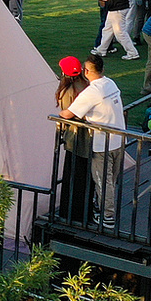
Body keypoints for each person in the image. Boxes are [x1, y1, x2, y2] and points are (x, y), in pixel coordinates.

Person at [62, 54, 127, 229]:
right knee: (110, 180)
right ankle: (102, 208)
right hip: (119, 139)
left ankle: (107, 217)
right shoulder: (110, 83)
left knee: (102, 182)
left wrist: (60, 115)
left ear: (87, 71)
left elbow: (69, 113)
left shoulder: (91, 92)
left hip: (102, 144)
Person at [55, 66, 94, 223]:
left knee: (72, 178)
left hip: (76, 139)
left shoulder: (67, 91)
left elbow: (67, 114)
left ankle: (69, 213)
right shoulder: (88, 86)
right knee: (86, 179)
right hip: (91, 139)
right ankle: (86, 212)